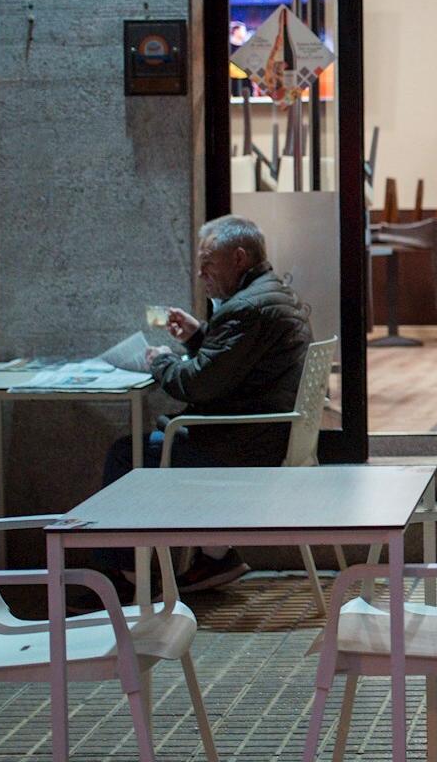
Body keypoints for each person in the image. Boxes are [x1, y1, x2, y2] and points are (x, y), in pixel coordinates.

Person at [90, 215, 312, 599]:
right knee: (156, 441)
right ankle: (215, 556)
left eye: (208, 263)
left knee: (126, 455)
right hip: (262, 435)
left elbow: (196, 385)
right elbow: (238, 367)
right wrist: (199, 336)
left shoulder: (245, 308)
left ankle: (127, 583)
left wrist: (159, 361)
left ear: (239, 258)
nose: (200, 273)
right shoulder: (273, 293)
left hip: (240, 448)